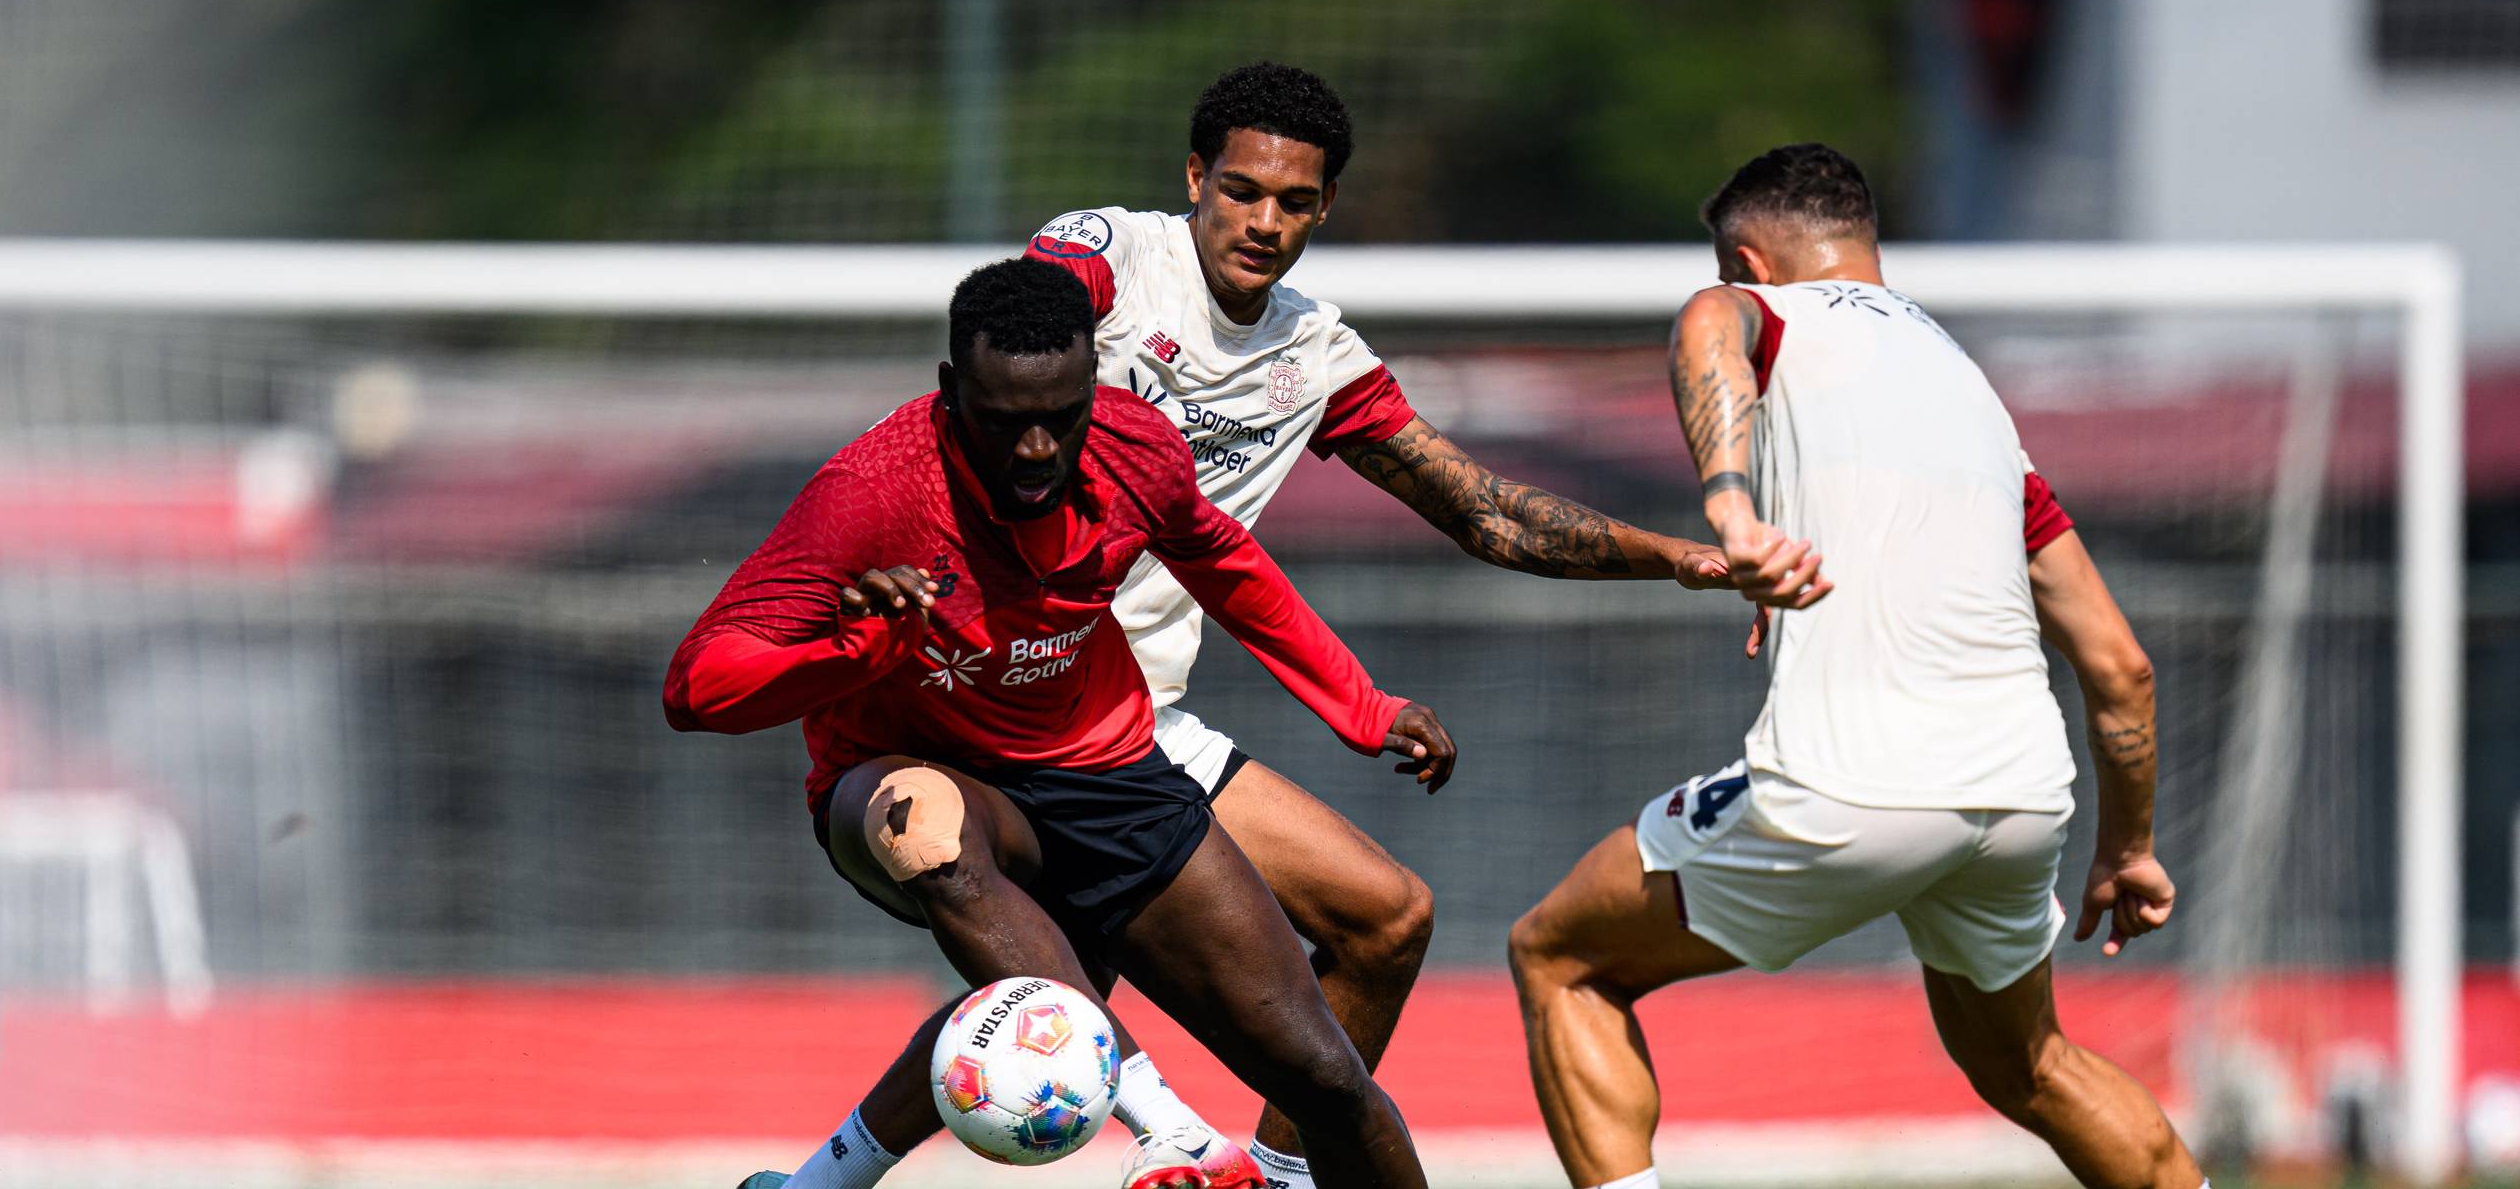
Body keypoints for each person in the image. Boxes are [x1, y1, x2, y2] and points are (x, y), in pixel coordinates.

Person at [777, 60, 1737, 1189]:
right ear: (1195, 177)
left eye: (1294, 201)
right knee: (1051, 965)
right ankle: (1153, 1143)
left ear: (1325, 206)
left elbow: (1482, 510)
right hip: (985, 706)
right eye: (1241, 191)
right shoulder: (1108, 260)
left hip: (1137, 723)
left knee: (1382, 917)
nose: (1264, 221)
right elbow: (1026, 329)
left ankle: (1265, 1177)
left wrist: (1679, 558)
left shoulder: (1317, 359)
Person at [1505, 143, 2208, 1189]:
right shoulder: (1972, 397)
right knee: (2031, 1063)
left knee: (1559, 955)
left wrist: (1732, 508)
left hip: (1855, 783)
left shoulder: (1764, 313)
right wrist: (2130, 848)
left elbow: (1707, 325)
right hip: (2020, 801)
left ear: (1749, 262)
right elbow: (2121, 665)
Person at [670, 258, 1453, 1189]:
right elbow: (697, 688)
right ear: (951, 394)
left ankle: (818, 1182)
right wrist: (853, 654)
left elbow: (1227, 564)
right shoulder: (872, 493)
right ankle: (1178, 1134)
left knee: (1325, 1080)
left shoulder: (1136, 446)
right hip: (910, 777)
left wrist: (1363, 707)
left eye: (1062, 416)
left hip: (1106, 775)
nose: (1038, 449)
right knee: (931, 830)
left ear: (1093, 384)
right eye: (1006, 423)